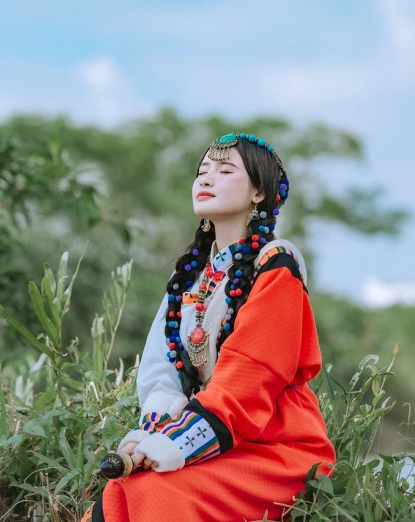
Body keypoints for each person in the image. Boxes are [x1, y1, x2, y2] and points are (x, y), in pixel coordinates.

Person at [82, 132, 335, 521]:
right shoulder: (189, 280)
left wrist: (182, 441)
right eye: (202, 171)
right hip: (218, 436)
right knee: (122, 490)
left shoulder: (276, 264)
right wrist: (155, 434)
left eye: (225, 170)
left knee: (159, 494)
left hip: (275, 446)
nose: (206, 179)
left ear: (258, 193)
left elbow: (251, 376)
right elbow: (162, 372)